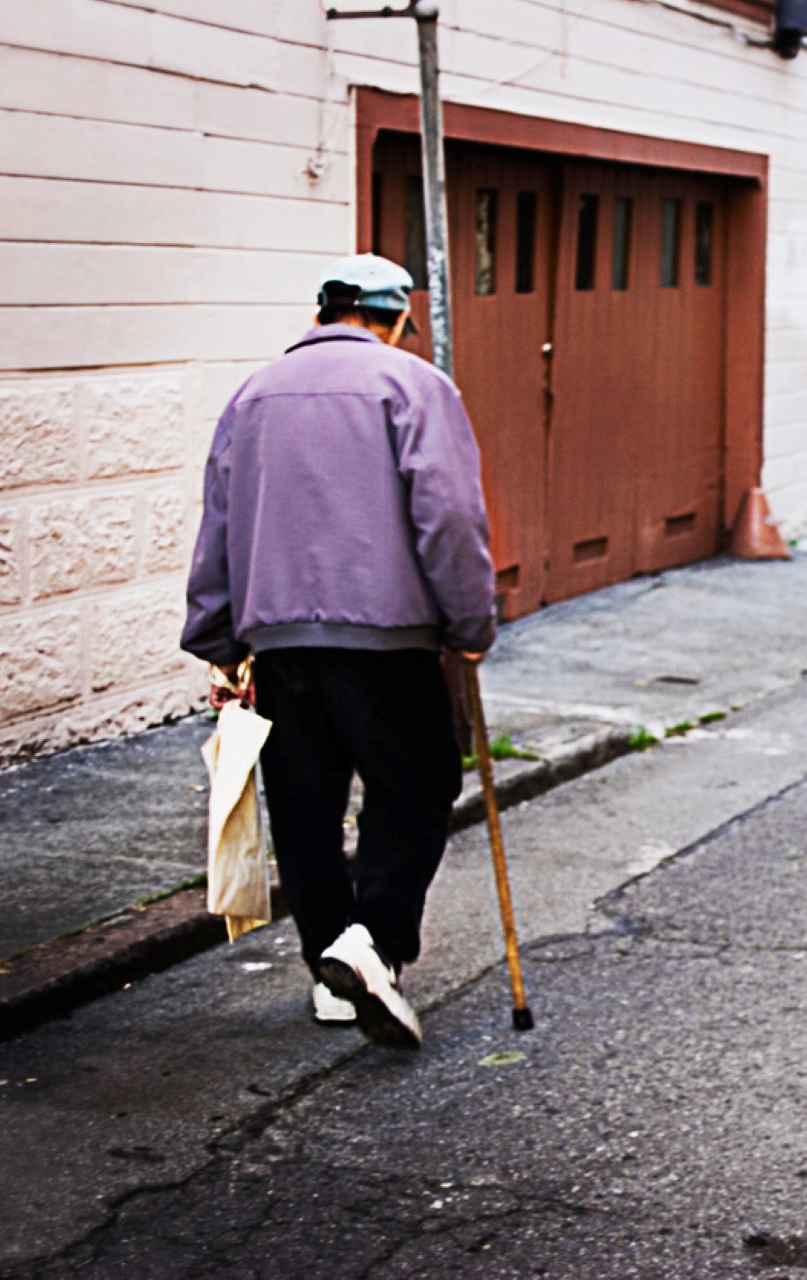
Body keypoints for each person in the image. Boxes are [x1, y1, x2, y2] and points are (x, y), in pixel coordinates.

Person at [181, 254, 496, 1050]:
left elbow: (219, 519)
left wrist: (218, 638)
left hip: (281, 643)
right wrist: (469, 623)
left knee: (306, 808)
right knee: (418, 785)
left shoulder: (250, 396)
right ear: (392, 320)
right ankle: (371, 942)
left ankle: (330, 963)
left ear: (322, 313)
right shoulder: (414, 386)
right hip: (387, 639)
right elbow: (450, 517)